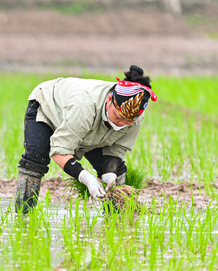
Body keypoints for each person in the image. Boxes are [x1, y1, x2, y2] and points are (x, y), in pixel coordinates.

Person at [15, 65, 156, 213]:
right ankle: (24, 216)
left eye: (129, 121)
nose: (123, 124)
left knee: (118, 171)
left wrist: (109, 173)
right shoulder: (84, 106)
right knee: (34, 161)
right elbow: (59, 150)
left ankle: (120, 216)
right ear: (109, 99)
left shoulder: (136, 116)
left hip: (89, 127)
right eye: (119, 117)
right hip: (48, 107)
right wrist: (86, 179)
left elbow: (117, 149)